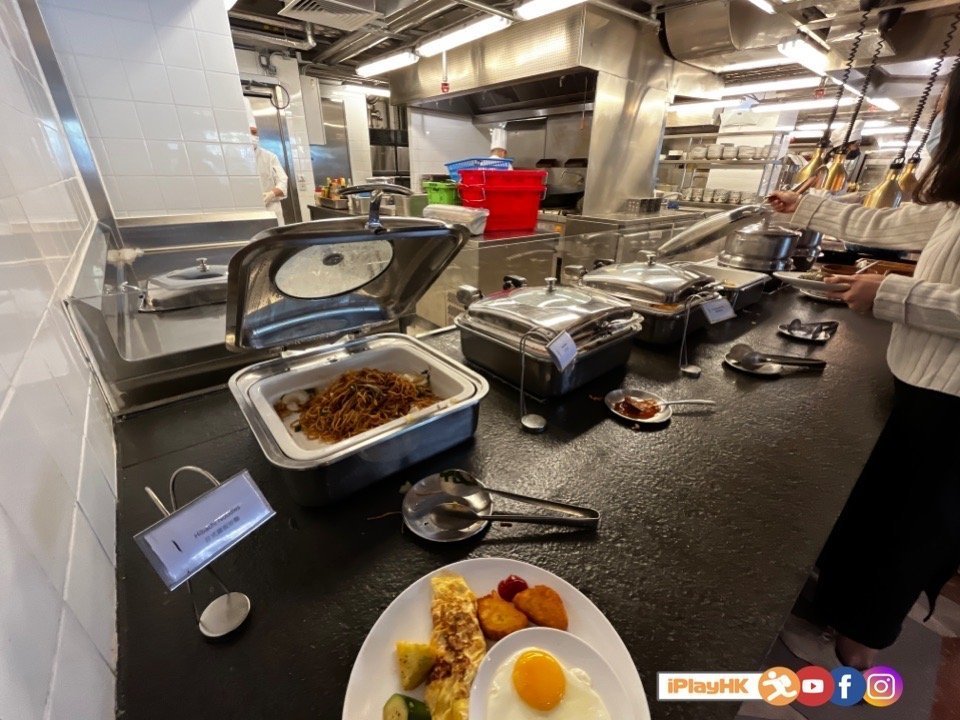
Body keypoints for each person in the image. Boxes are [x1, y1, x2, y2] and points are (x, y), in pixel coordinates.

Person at [767, 68, 960, 670]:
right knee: (882, 513)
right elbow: (893, 224)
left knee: (910, 530)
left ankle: (858, 644)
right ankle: (845, 613)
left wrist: (891, 295)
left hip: (951, 406)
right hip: (921, 388)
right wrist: (807, 206)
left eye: (945, 104)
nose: (937, 116)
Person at [245, 101, 288, 225]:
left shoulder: (269, 157)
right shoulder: (236, 159)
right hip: (249, 213)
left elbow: (283, 181)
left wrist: (271, 194)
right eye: (249, 133)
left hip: (272, 209)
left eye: (254, 132)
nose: (253, 136)